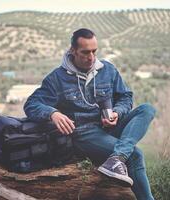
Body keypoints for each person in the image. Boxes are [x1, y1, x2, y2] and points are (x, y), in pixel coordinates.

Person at [24, 28, 156, 200]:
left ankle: (116, 157)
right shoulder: (56, 78)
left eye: (94, 51)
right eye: (85, 52)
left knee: (147, 109)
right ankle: (122, 161)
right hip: (83, 134)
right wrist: (53, 113)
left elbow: (125, 97)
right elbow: (32, 104)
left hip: (109, 126)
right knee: (135, 155)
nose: (91, 57)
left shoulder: (107, 69)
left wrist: (116, 112)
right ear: (73, 51)